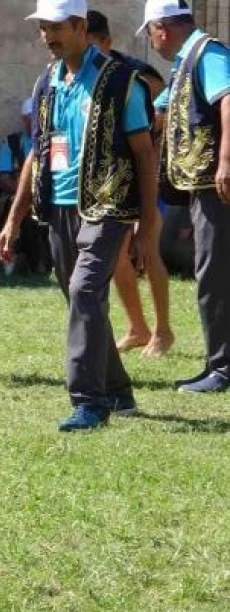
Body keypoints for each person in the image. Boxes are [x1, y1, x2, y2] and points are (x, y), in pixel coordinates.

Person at [0, 0, 160, 430]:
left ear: (79, 26)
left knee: (85, 293)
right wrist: (14, 217)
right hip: (60, 207)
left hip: (109, 207)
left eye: (55, 28)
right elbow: (38, 150)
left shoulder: (122, 81)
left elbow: (144, 154)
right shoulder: (48, 81)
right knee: (80, 301)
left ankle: (88, 401)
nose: (46, 37)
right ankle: (119, 392)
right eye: (42, 29)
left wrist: (148, 221)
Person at [141, 0, 230, 392]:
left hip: (217, 185)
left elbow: (228, 100)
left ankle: (223, 368)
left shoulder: (206, 53)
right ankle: (218, 362)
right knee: (212, 271)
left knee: (214, 274)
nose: (151, 42)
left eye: (149, 33)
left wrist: (226, 160)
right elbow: (156, 108)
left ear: (161, 28)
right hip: (201, 185)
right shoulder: (184, 64)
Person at [86, 9, 174, 358]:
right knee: (116, 256)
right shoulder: (80, 77)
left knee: (147, 248)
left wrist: (149, 188)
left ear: (106, 42)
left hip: (145, 175)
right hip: (109, 183)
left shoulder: (139, 76)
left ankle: (163, 331)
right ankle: (138, 328)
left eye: (92, 45)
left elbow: (160, 128)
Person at [0, 97, 51, 275]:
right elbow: (4, 178)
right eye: (31, 118)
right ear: (24, 120)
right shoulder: (11, 143)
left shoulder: (52, 143)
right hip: (17, 196)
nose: (36, 122)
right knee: (19, 208)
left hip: (46, 195)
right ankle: (12, 262)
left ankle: (43, 263)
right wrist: (26, 196)